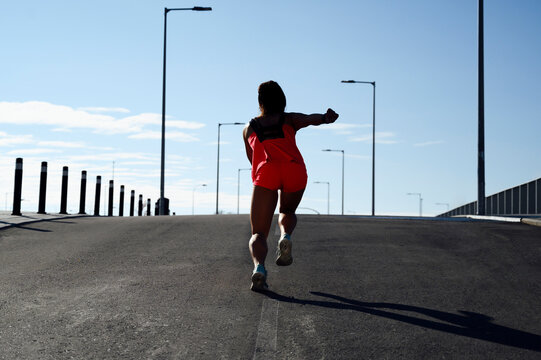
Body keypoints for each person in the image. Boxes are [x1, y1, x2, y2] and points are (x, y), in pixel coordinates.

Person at [243, 80, 339, 291]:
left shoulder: (249, 128)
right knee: (287, 211)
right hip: (294, 169)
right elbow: (309, 119)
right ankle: (285, 236)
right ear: (282, 100)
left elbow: (252, 159)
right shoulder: (288, 119)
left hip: (266, 172)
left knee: (258, 233)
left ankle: (259, 268)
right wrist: (325, 118)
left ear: (260, 102)